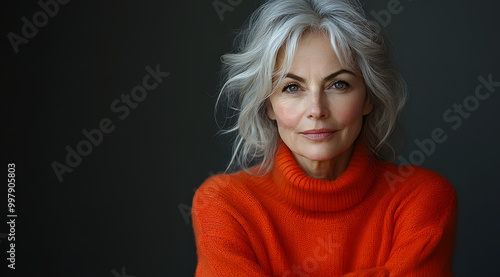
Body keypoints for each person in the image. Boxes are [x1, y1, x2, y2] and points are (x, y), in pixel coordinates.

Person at [192, 0, 458, 276]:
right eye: (292, 87)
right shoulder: (225, 204)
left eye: (338, 84)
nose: (317, 110)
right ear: (268, 105)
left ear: (368, 97)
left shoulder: (420, 198)